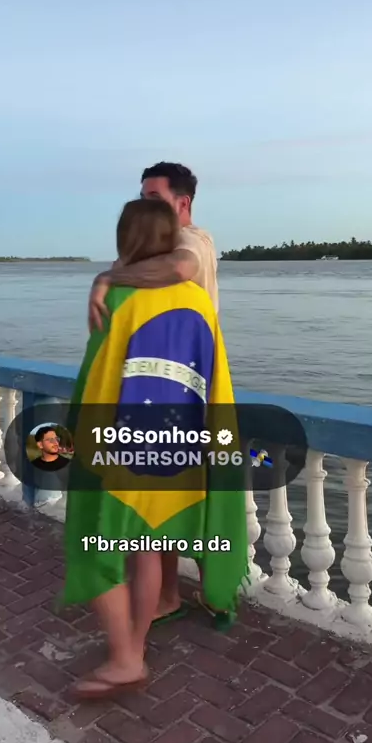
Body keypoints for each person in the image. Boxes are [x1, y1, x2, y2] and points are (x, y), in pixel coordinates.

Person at [63, 198, 247, 699]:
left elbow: (97, 378)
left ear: (126, 239)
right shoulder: (198, 301)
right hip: (178, 447)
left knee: (95, 544)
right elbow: (214, 377)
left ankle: (126, 658)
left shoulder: (120, 297)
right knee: (147, 546)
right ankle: (134, 649)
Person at [88, 162, 218, 623]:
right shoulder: (171, 247)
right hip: (175, 390)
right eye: (142, 197)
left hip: (176, 394)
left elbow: (180, 268)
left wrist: (106, 279)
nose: (145, 205)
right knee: (172, 502)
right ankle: (176, 595)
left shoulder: (191, 241)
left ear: (183, 203)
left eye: (154, 198)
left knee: (173, 505)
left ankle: (207, 594)